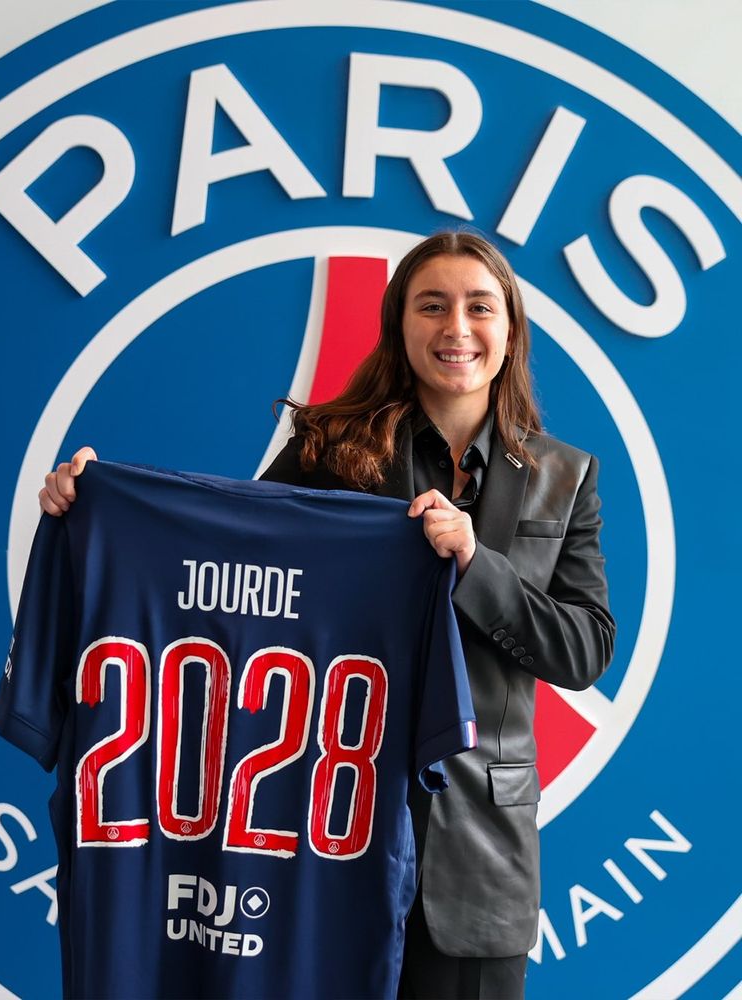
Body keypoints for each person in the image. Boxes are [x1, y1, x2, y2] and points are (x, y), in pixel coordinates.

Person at [39, 231, 615, 1000]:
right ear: (398, 323)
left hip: (478, 859)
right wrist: (98, 504)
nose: (456, 329)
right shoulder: (330, 444)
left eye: (479, 307)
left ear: (510, 328)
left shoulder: (565, 477)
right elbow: (230, 557)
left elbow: (584, 648)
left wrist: (478, 564)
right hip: (317, 831)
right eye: (431, 305)